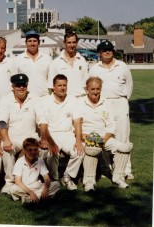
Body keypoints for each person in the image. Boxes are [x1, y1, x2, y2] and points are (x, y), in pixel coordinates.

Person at [78, 77, 133, 192]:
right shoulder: (80, 103)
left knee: (125, 147)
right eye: (92, 89)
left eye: (98, 89)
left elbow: (111, 125)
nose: (95, 92)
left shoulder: (106, 102)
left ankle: (118, 177)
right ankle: (89, 181)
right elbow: (75, 125)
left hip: (104, 137)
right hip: (87, 137)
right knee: (92, 148)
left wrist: (104, 139)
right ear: (87, 89)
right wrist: (84, 136)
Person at [89, 41, 134, 179]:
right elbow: (91, 86)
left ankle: (125, 169)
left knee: (122, 135)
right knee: (105, 135)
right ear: (99, 53)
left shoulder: (122, 66)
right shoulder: (94, 69)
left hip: (120, 102)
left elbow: (129, 86)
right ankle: (106, 168)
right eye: (104, 50)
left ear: (113, 52)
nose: (107, 52)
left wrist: (124, 99)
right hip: (103, 104)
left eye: (110, 50)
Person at [0, 73, 48, 194]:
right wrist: (7, 139)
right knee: (7, 149)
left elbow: (43, 121)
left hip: (31, 136)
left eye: (23, 85)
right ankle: (10, 181)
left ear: (27, 85)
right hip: (13, 137)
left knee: (45, 149)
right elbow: (2, 123)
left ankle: (33, 179)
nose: (21, 88)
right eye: (18, 85)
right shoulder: (5, 100)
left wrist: (44, 138)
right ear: (12, 86)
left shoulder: (35, 98)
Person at [39, 74, 84, 190]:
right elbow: (43, 125)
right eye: (59, 85)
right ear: (53, 87)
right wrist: (50, 142)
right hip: (52, 135)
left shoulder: (73, 100)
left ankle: (67, 176)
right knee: (52, 153)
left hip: (68, 134)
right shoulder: (46, 101)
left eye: (64, 85)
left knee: (80, 151)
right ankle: (54, 179)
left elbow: (78, 123)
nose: (62, 88)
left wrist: (78, 141)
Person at [10, 138, 60, 205]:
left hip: (37, 185)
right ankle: (41, 198)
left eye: (35, 150)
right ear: (24, 150)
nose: (33, 152)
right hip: (25, 187)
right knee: (13, 188)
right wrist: (31, 193)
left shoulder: (40, 161)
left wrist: (45, 190)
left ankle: (29, 199)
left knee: (56, 184)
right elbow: (17, 181)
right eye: (30, 150)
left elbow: (47, 178)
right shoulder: (20, 161)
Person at [48, 31, 88, 98]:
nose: (72, 45)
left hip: (81, 99)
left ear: (77, 42)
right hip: (65, 100)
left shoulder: (82, 60)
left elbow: (86, 83)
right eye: (69, 42)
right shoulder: (55, 62)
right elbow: (51, 87)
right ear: (64, 43)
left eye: (74, 42)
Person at [15, 30, 52, 97]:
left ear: (39, 42)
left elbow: (52, 80)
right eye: (29, 41)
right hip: (26, 98)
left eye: (35, 41)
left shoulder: (47, 59)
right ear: (26, 42)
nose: (32, 43)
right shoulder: (18, 59)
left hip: (44, 97)